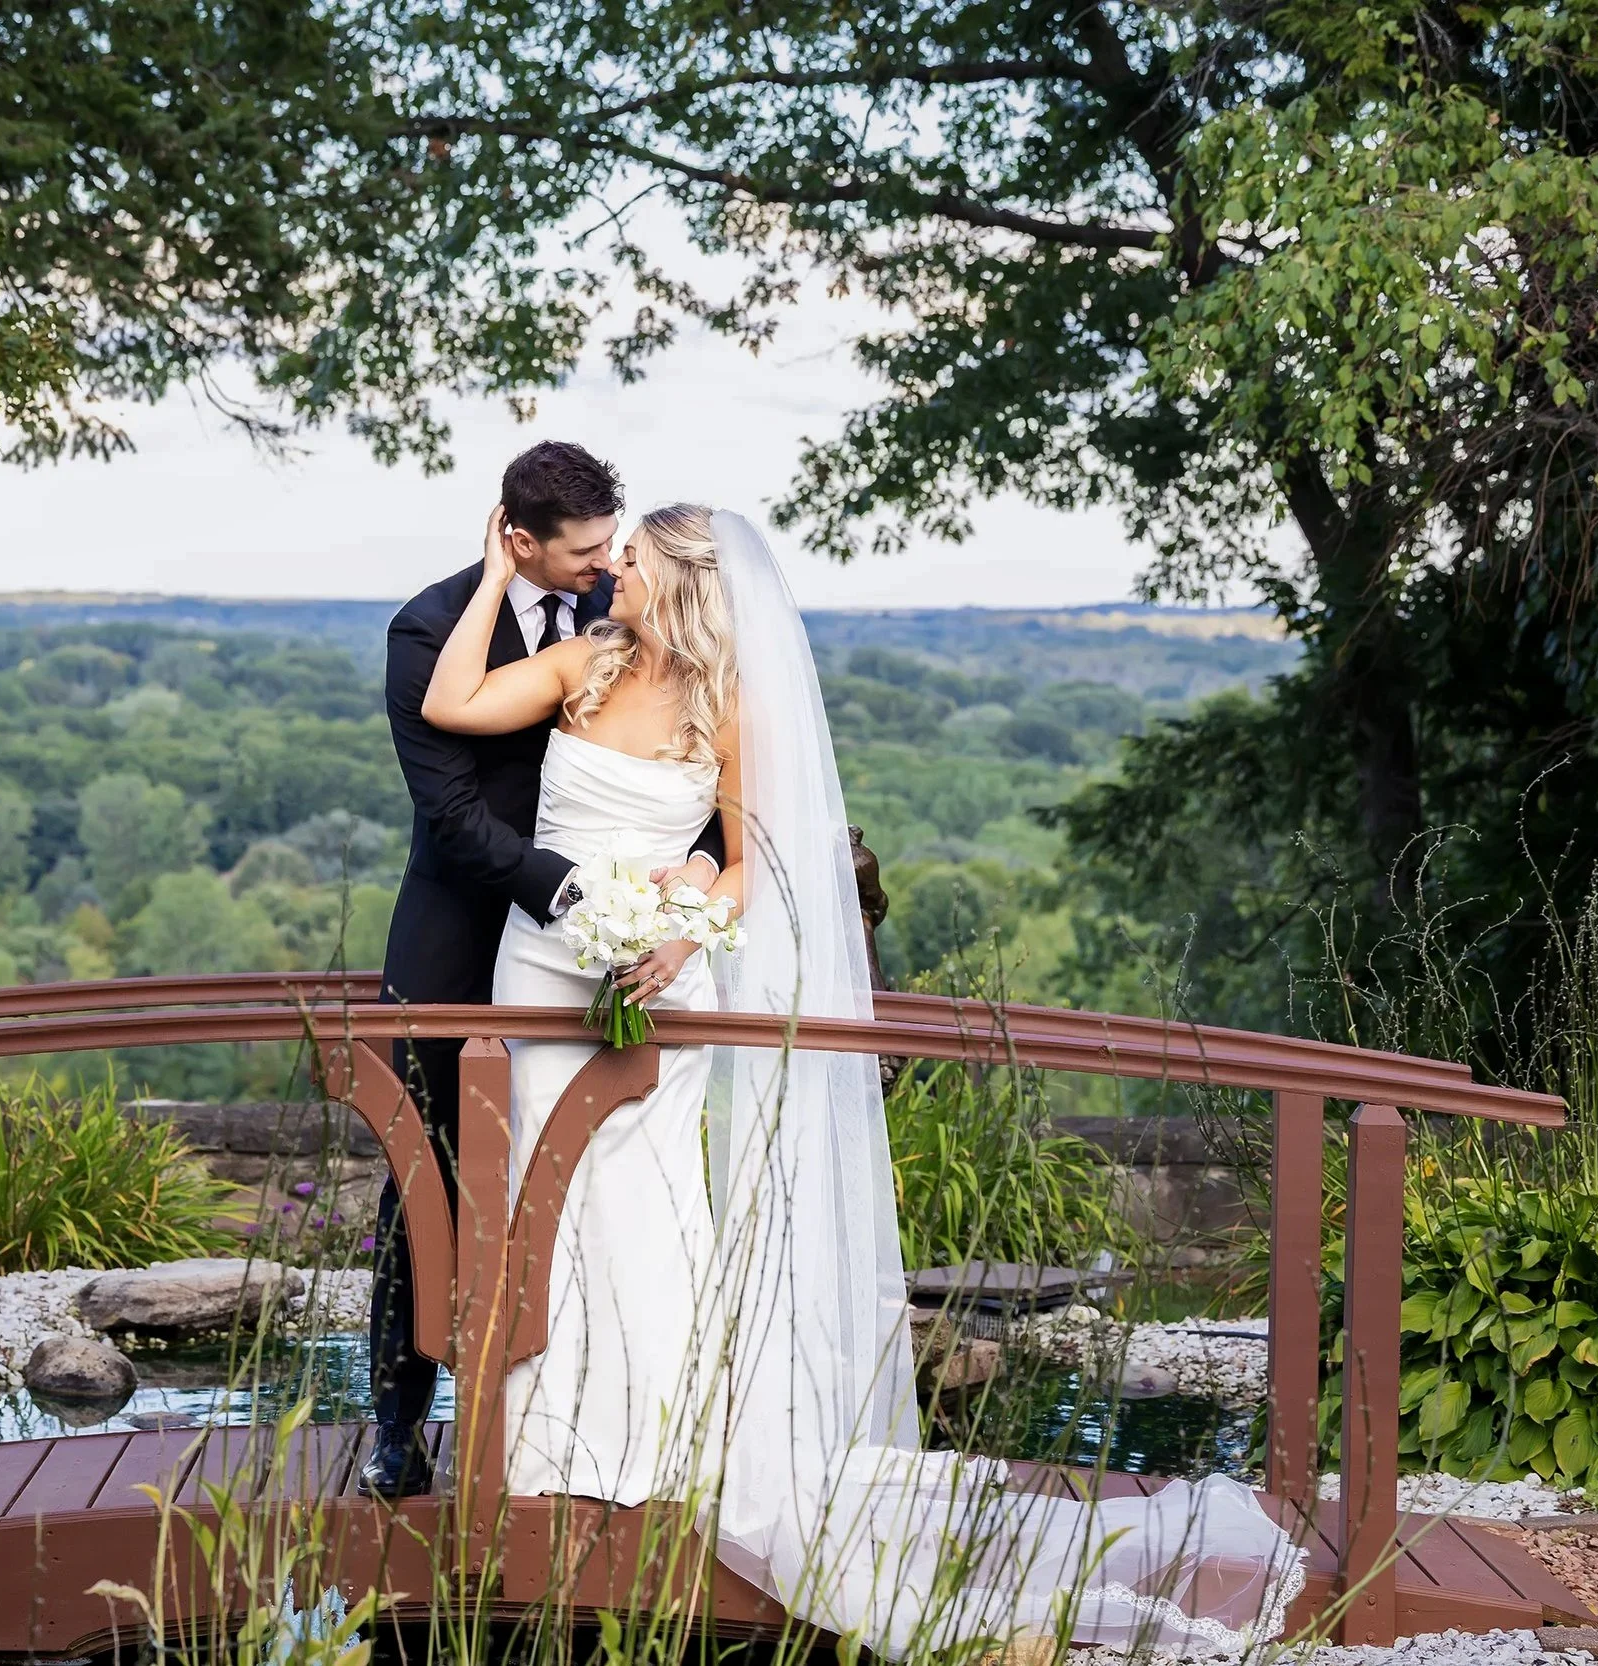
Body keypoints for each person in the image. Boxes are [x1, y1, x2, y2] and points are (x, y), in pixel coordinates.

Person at [419, 501, 1306, 1659]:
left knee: (642, 1203)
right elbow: (450, 705)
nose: (610, 572)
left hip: (654, 973)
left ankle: (650, 1442)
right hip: (535, 965)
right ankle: (534, 1447)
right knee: (536, 1184)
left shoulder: (724, 703)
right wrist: (492, 574)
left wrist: (681, 935)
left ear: (683, 580)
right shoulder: (582, 662)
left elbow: (746, 864)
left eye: (630, 559)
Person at [365, 441, 725, 1500]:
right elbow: (455, 813)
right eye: (584, 550)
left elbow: (705, 790)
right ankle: (401, 1417)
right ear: (517, 540)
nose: (607, 565)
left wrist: (692, 872)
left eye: (614, 545)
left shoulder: (635, 611)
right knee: (425, 1170)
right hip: (470, 930)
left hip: (607, 942)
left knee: (609, 1178)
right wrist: (576, 896)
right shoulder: (430, 626)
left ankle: (600, 1408)